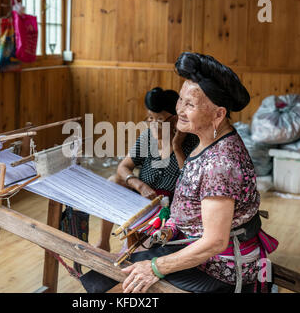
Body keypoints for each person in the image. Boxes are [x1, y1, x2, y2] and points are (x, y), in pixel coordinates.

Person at [81, 52, 278, 293]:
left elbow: (215, 242)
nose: (180, 111)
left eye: (190, 105)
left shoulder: (221, 164)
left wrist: (155, 266)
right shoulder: (204, 142)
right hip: (196, 248)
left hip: (219, 267)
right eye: (181, 101)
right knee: (102, 276)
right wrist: (170, 227)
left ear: (218, 114)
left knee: (109, 288)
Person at [95, 87, 199, 252]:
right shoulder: (147, 137)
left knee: (136, 255)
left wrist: (176, 146)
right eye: (150, 118)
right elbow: (123, 167)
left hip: (169, 211)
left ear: (175, 119)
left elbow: (190, 181)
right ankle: (103, 242)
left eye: (159, 120)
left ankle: (140, 244)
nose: (153, 125)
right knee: (113, 182)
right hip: (143, 201)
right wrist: (139, 185)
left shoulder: (191, 142)